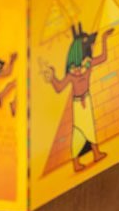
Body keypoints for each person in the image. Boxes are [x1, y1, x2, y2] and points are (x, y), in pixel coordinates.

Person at [43, 26, 112, 172]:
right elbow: (59, 87)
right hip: (78, 104)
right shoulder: (71, 74)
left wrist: (104, 39)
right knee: (82, 130)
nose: (79, 70)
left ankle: (89, 155)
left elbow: (103, 57)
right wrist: (52, 78)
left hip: (87, 99)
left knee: (84, 130)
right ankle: (88, 156)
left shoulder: (88, 64)